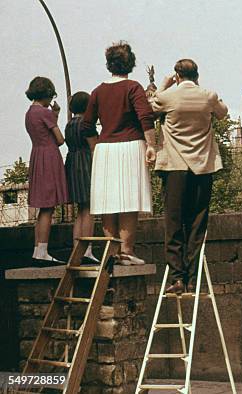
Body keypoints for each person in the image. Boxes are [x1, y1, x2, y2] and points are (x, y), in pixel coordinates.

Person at [151, 59, 227, 294]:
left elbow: (150, 106)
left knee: (174, 223)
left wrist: (163, 85)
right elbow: (222, 113)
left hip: (175, 166)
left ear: (177, 76)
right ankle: (192, 278)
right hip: (202, 167)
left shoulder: (169, 97)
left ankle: (177, 278)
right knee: (197, 224)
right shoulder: (208, 96)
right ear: (197, 75)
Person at [80, 41, 156, 265]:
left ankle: (110, 252)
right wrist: (152, 145)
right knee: (128, 200)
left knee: (107, 202)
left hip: (105, 149)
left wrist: (96, 147)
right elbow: (146, 116)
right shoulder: (133, 87)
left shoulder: (98, 91)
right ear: (130, 63)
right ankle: (127, 251)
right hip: (130, 146)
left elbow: (86, 125)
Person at [24, 76, 69, 266]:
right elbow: (59, 139)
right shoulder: (44, 112)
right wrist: (55, 116)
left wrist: (54, 115)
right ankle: (42, 250)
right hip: (49, 156)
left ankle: (38, 249)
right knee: (48, 206)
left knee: (44, 204)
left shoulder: (29, 113)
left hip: (37, 154)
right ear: (46, 94)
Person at [64, 91, 99, 264]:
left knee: (80, 210)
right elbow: (94, 148)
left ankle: (77, 249)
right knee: (89, 209)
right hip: (86, 164)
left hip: (72, 164)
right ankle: (87, 249)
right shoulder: (87, 124)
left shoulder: (69, 124)